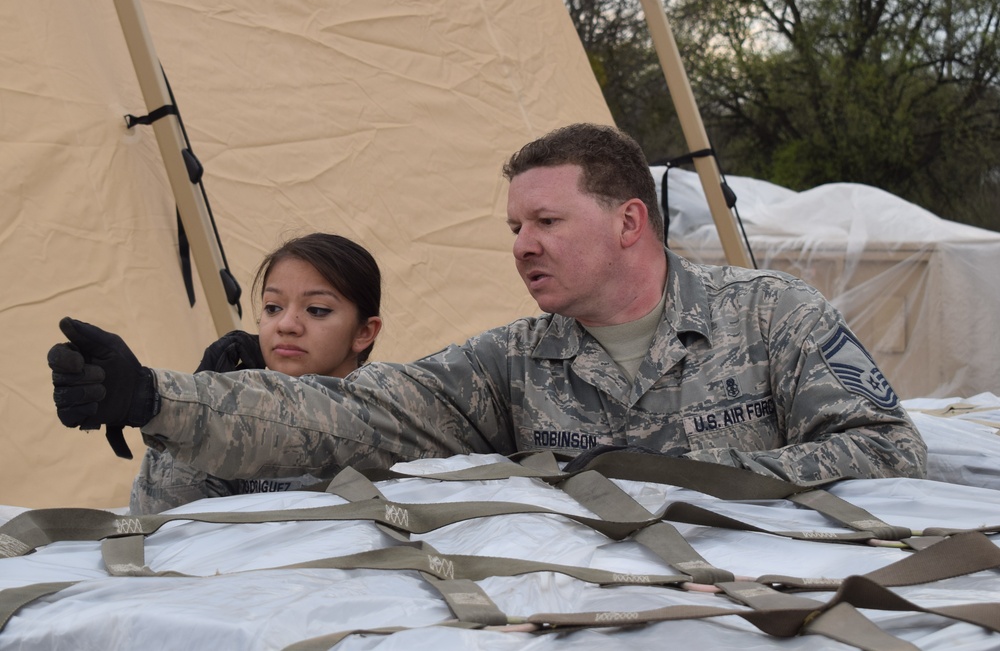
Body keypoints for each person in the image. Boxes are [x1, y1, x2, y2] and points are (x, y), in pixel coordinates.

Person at [48, 123, 926, 489]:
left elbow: (889, 449)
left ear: (628, 222)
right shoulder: (511, 361)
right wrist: (156, 399)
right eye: (514, 225)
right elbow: (345, 414)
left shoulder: (772, 315)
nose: (522, 245)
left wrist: (692, 483)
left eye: (546, 220)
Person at [130, 232, 383, 513]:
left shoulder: (386, 413)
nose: (286, 325)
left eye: (317, 310)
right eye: (272, 308)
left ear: (363, 332)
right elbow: (158, 516)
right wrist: (198, 413)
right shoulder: (237, 419)